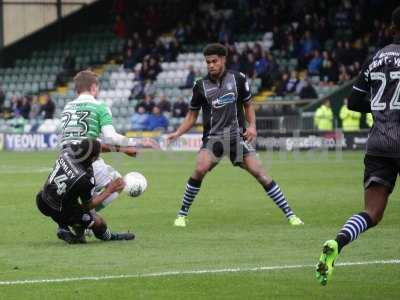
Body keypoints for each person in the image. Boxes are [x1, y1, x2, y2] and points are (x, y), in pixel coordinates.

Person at [167, 43, 303, 227]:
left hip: (237, 137)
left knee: (260, 173)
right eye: (207, 62)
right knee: (200, 169)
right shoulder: (200, 85)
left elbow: (248, 105)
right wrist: (177, 133)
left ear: (223, 60)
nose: (210, 65)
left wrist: (253, 126)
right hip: (214, 139)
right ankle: (182, 215)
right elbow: (192, 116)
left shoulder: (238, 79)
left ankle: (291, 215)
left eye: (214, 61)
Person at [316, 6, 400, 286]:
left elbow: (353, 102)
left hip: (378, 142)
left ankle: (338, 242)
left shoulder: (375, 58)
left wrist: (378, 109)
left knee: (372, 212)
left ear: (391, 29)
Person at [59, 70, 157, 233]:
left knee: (83, 194)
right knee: (118, 183)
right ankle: (82, 220)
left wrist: (123, 149)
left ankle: (75, 221)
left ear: (76, 89)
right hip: (88, 164)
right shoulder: (99, 107)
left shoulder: (67, 109)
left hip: (63, 163)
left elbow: (80, 143)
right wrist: (139, 142)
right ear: (94, 87)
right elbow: (110, 137)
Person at [36, 139, 134, 244]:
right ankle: (109, 237)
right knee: (99, 223)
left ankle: (63, 227)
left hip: (42, 200)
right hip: (60, 211)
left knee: (69, 200)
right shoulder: (85, 178)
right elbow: (88, 206)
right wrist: (110, 190)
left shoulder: (67, 151)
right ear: (94, 158)